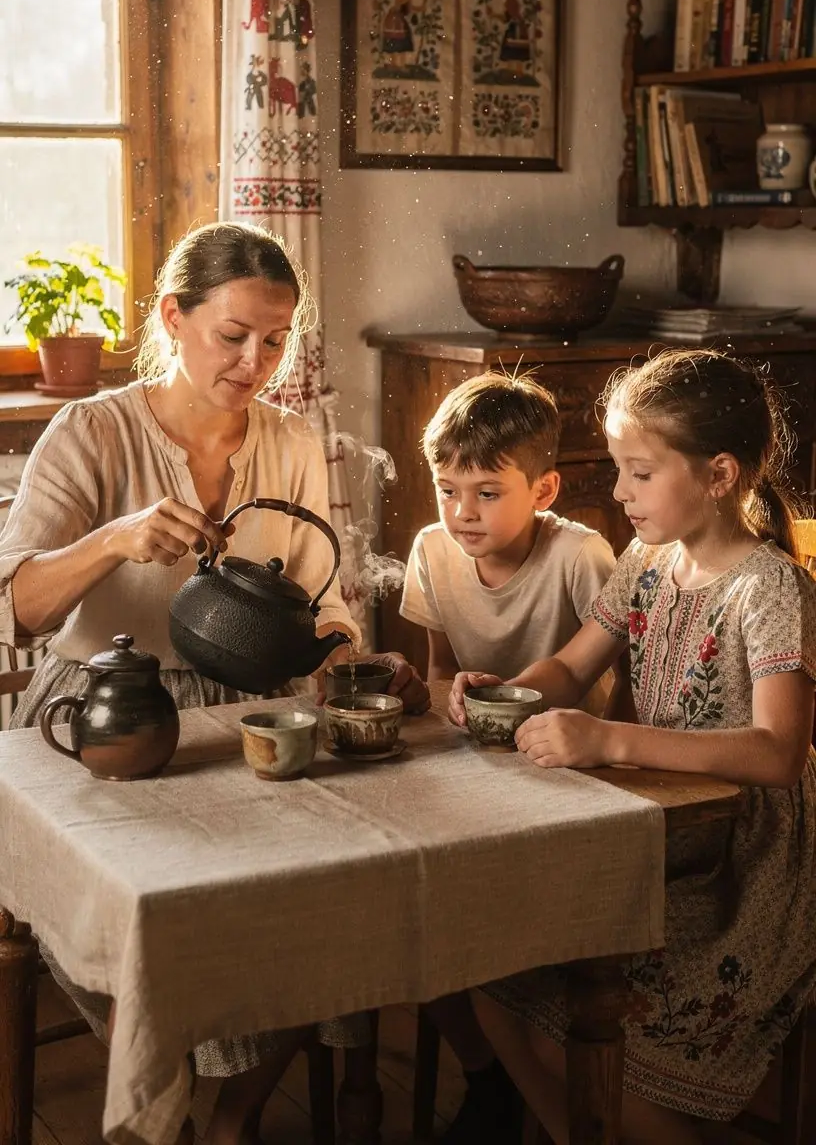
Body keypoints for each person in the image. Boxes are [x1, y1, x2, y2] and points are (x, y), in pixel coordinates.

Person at [0, 220, 428, 1145]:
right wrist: (113, 539)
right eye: (233, 335)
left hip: (252, 710)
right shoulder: (91, 431)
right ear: (172, 317)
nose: (254, 362)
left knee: (331, 893)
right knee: (151, 912)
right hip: (105, 713)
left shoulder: (293, 440)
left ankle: (233, 1115)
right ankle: (166, 1107)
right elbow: (19, 606)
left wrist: (347, 655)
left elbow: (324, 602)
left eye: (275, 341)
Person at [448, 348, 816, 1145]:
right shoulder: (646, 563)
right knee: (486, 978)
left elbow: (778, 754)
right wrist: (504, 693)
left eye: (640, 473)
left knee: (576, 1030)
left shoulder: (771, 588)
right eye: (620, 470)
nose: (619, 492)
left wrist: (608, 739)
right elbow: (571, 669)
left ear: (719, 475)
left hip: (744, 866)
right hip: (655, 833)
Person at [400, 370, 616, 1143]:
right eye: (447, 489)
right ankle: (488, 1074)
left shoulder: (582, 557)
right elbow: (436, 674)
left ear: (544, 489)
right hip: (476, 768)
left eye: (488, 492)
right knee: (408, 908)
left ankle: (523, 1082)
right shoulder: (432, 551)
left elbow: (619, 689)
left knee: (483, 928)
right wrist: (446, 691)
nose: (462, 511)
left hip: (571, 777)